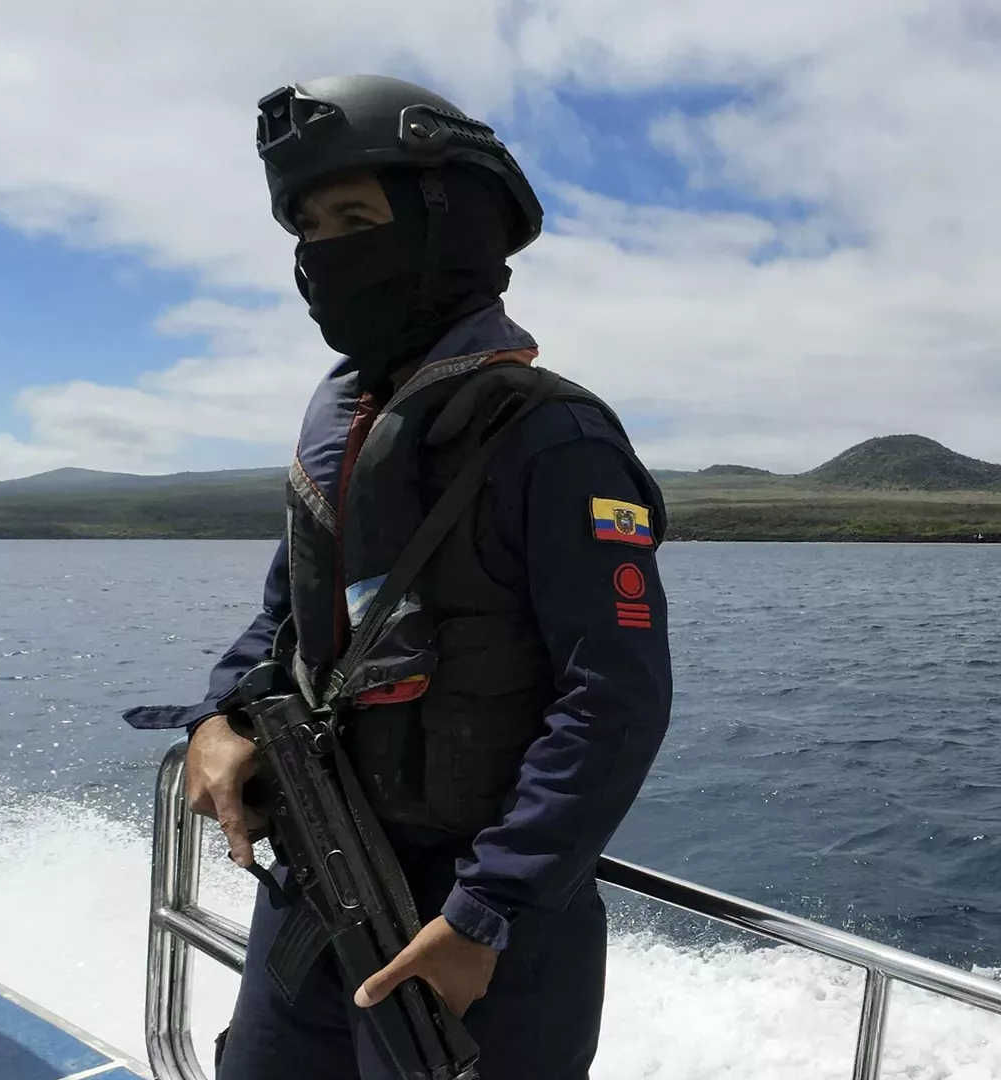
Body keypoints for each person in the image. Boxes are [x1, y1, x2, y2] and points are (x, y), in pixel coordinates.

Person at [123, 73, 674, 1080]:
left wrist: (485, 913)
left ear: (445, 224)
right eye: (308, 227)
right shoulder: (338, 436)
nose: (323, 252)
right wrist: (217, 719)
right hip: (319, 874)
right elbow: (282, 629)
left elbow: (615, 700)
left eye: (354, 218)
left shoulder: (556, 444)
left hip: (477, 922)